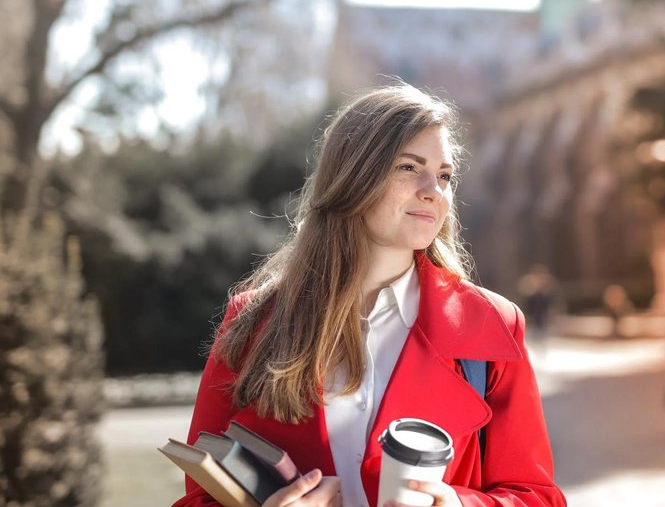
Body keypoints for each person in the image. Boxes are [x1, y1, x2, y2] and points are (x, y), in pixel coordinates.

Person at [173, 85, 566, 507]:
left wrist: (460, 505)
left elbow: (537, 496)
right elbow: (200, 496)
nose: (434, 190)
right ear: (354, 177)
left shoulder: (492, 325)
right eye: (409, 168)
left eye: (445, 175)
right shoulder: (253, 321)